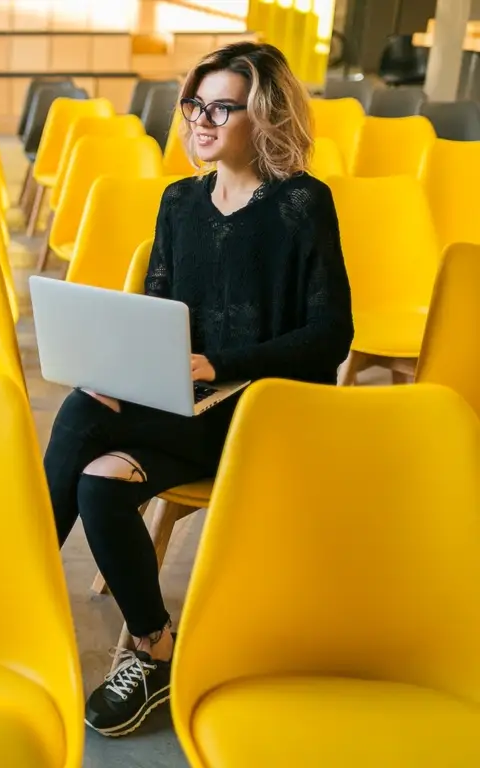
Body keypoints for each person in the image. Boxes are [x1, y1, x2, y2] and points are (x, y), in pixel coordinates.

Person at [43, 41, 354, 737]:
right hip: (182, 410)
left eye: (222, 107)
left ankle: (19, 603)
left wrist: (216, 363)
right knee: (97, 466)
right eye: (194, 104)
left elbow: (330, 337)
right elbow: (156, 313)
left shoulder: (303, 203)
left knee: (82, 420)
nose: (200, 120)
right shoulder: (179, 202)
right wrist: (128, 370)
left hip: (263, 411)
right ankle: (155, 650)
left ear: (264, 115)